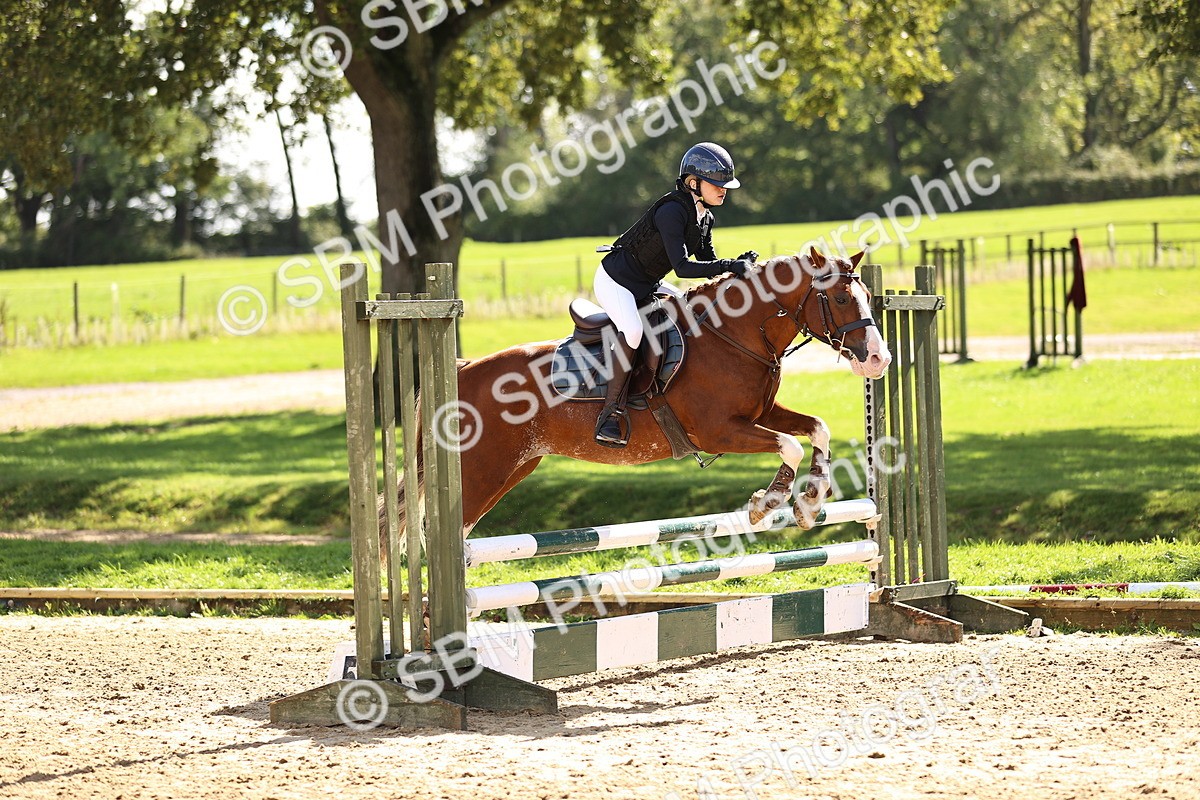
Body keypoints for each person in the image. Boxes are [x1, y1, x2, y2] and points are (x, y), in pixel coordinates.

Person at [592, 142, 758, 448]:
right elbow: (683, 268)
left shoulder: (704, 216)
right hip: (617, 281)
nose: (724, 190)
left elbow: (709, 262)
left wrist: (735, 265)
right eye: (718, 184)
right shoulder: (672, 211)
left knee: (689, 311)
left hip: (647, 282)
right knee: (632, 331)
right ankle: (610, 415)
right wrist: (730, 265)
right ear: (694, 183)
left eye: (725, 185)